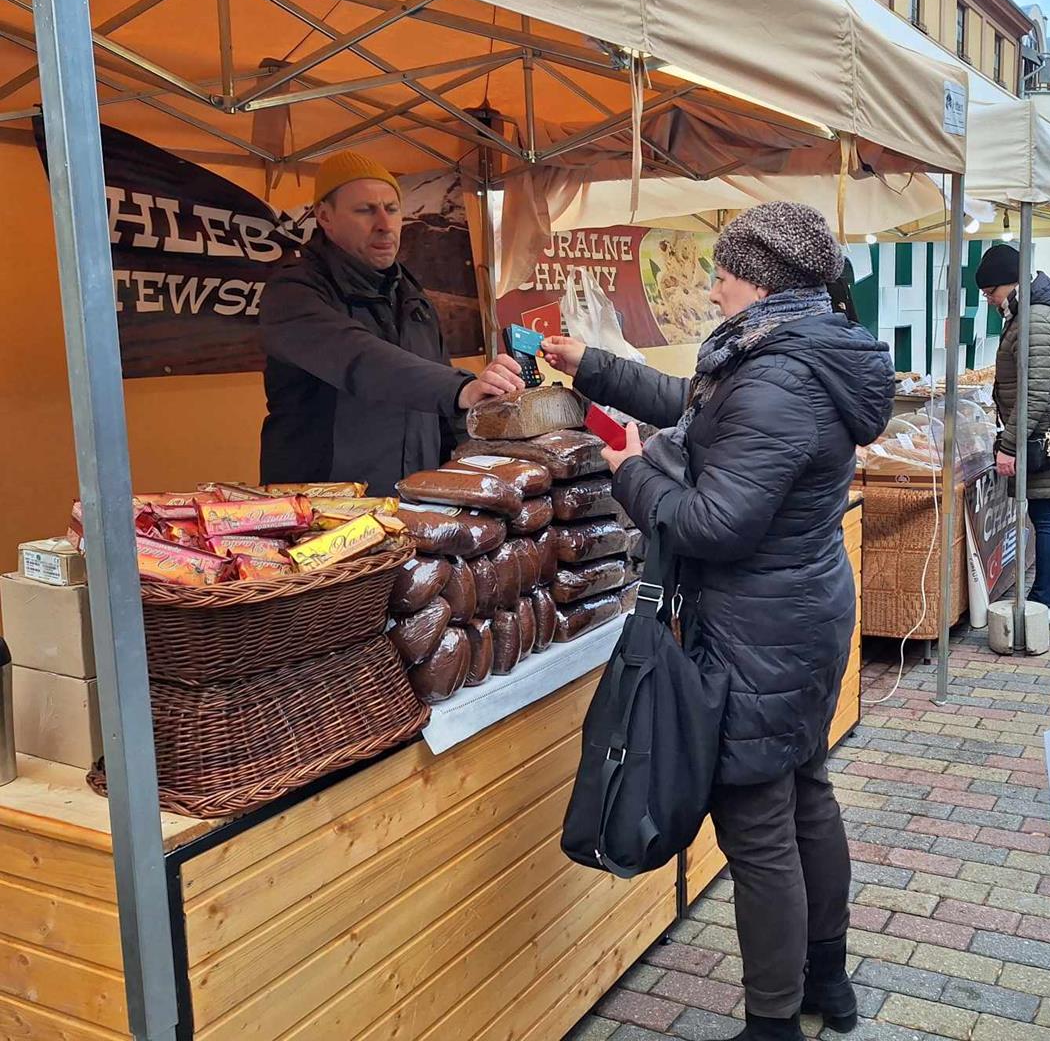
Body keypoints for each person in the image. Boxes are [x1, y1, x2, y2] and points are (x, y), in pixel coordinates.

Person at [543, 202, 893, 1041]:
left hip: (755, 629)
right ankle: (828, 982)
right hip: (798, 614)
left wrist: (630, 472)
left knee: (758, 825)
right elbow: (697, 409)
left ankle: (773, 1024)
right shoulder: (789, 353)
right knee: (805, 794)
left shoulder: (776, 377)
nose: (714, 288)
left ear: (763, 282)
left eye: (725, 273)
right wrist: (592, 365)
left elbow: (713, 524)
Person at [258, 151, 523, 494]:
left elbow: (444, 413)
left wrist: (471, 472)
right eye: (365, 210)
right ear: (325, 217)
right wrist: (460, 388)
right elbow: (359, 359)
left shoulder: (411, 295)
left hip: (414, 500)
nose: (384, 224)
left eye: (392, 209)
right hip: (323, 506)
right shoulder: (293, 291)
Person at [975, 244, 1050, 620]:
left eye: (990, 291)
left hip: (1047, 432)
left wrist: (1010, 445)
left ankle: (1042, 602)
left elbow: (1034, 392)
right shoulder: (1041, 307)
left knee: (1047, 515)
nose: (988, 299)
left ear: (1009, 282)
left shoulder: (1034, 319)